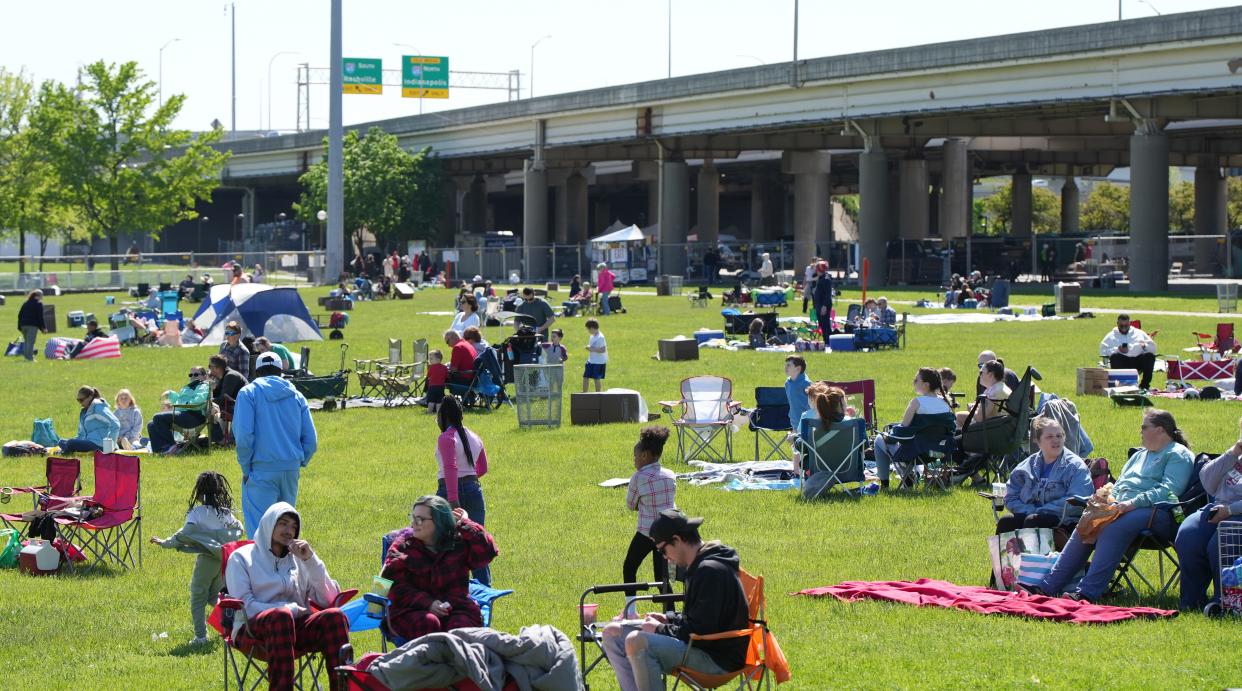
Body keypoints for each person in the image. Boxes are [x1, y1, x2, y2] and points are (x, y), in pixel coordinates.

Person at [1025, 409, 1193, 603]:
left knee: (1113, 527)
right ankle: (1048, 586)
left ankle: (1086, 593)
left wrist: (1132, 503)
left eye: (1144, 427)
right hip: (1124, 508)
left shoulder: (1177, 454)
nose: (1141, 432)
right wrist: (1106, 500)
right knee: (1088, 521)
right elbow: (1120, 484)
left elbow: (1169, 491)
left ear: (1160, 430)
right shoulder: (1140, 455)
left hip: (1161, 513)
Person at [601, 510, 749, 691]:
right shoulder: (700, 566)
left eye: (663, 550)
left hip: (716, 659)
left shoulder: (710, 571)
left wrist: (659, 629)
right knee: (612, 633)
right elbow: (699, 618)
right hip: (700, 646)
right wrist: (669, 618)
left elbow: (702, 630)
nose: (664, 556)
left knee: (636, 641)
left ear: (677, 540)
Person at [226, 502, 350, 691]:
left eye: (293, 526)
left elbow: (329, 598)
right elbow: (247, 607)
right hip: (252, 631)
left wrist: (310, 560)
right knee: (281, 617)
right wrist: (288, 609)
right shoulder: (241, 558)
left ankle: (343, 688)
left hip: (294, 630)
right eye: (283, 523)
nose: (289, 530)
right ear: (269, 524)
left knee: (335, 616)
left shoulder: (299, 559)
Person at [381, 495, 499, 641]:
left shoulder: (457, 542)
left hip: (457, 606)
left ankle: (460, 661)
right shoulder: (403, 546)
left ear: (439, 521)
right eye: (413, 517)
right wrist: (427, 603)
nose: (414, 523)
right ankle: (429, 663)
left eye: (420, 519)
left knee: (460, 629)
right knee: (428, 623)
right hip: (412, 609)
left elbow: (487, 552)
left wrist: (465, 523)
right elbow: (392, 586)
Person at [150, 471, 244, 645]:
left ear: (199, 493)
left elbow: (186, 533)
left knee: (198, 597)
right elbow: (239, 528)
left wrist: (165, 543)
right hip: (222, 560)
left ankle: (200, 637)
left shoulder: (197, 513)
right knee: (213, 596)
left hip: (207, 560)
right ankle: (231, 624)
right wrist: (219, 538)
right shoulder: (225, 513)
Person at [233, 352, 317, 538]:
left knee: (260, 533)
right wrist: (299, 461)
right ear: (281, 371)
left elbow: (244, 436)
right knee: (287, 532)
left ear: (256, 371)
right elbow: (311, 439)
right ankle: (287, 567)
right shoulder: (297, 395)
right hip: (291, 469)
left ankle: (260, 568)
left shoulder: (248, 393)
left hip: (261, 470)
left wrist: (246, 469)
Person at [1175, 417, 1242, 615]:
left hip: (1236, 514)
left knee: (1220, 541)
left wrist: (1230, 511)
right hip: (1218, 507)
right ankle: (1192, 601)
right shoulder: (1237, 456)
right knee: (1188, 535)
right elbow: (1207, 481)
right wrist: (1233, 451)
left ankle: (1225, 602)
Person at [995, 418, 1094, 536]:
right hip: (1031, 514)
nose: (1056, 440)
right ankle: (1006, 555)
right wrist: (1027, 510)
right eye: (1049, 437)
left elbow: (1080, 499)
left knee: (1033, 521)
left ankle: (1032, 555)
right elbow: (1011, 495)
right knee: (1006, 522)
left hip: (1064, 520)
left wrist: (1041, 511)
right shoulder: (1026, 467)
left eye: (1059, 436)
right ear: (1037, 440)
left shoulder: (1075, 466)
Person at [434, 395, 492, 584]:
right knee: (477, 544)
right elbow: (482, 468)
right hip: (474, 491)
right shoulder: (475, 436)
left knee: (443, 543)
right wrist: (469, 482)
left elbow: (451, 468)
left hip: (449, 494)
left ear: (443, 415)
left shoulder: (446, 438)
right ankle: (485, 590)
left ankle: (448, 586)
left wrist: (453, 500)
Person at [872, 368, 954, 490]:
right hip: (938, 453)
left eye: (916, 380)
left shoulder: (917, 402)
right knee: (912, 443)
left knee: (879, 439)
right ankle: (908, 476)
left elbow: (902, 432)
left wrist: (888, 434)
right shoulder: (946, 403)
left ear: (926, 385)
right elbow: (951, 429)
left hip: (917, 453)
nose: (914, 382)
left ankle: (885, 485)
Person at [623, 426, 675, 598]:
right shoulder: (670, 475)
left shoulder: (638, 477)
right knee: (662, 577)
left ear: (644, 455)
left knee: (630, 567)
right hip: (667, 533)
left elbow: (631, 505)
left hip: (646, 532)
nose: (634, 460)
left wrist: (641, 503)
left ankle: (630, 609)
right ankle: (670, 612)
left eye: (635, 456)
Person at [147, 368, 211, 454]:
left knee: (158, 417)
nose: (192, 376)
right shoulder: (189, 387)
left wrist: (184, 405)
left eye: (196, 374)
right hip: (184, 414)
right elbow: (179, 400)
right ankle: (161, 450)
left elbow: (199, 401)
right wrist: (170, 393)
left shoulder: (203, 386)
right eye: (190, 375)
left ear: (204, 376)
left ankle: (172, 446)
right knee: (151, 424)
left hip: (194, 417)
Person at [1099, 314, 1157, 390]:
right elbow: (1103, 351)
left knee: (1149, 356)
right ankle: (1119, 386)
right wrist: (1118, 350)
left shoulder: (1139, 333)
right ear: (1117, 324)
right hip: (1122, 363)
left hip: (1138, 361)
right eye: (1121, 326)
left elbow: (1153, 349)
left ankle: (1144, 386)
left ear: (1130, 323)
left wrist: (1144, 346)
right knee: (1115, 356)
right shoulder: (1111, 335)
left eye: (1126, 325)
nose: (1123, 328)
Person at [58, 386, 121, 453]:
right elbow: (81, 434)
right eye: (78, 400)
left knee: (70, 443)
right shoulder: (84, 412)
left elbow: (115, 424)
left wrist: (109, 448)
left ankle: (64, 452)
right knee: (61, 442)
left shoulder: (98, 408)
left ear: (90, 397)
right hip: (89, 442)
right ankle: (66, 450)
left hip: (101, 444)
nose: (80, 403)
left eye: (81, 400)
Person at [208, 353, 248, 443]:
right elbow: (216, 395)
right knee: (210, 407)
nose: (209, 369)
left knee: (209, 408)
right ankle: (219, 438)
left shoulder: (230, 376)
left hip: (244, 408)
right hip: (236, 405)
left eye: (210, 366)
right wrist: (211, 387)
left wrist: (207, 402)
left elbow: (222, 399)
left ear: (216, 368)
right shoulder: (224, 377)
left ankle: (221, 439)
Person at [783, 355, 812, 432]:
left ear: (798, 368)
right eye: (785, 365)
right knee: (796, 442)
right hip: (794, 420)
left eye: (789, 365)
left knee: (805, 442)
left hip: (807, 421)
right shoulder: (787, 383)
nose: (785, 367)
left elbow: (813, 404)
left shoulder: (806, 384)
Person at [17, 289, 45, 361]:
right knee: (30, 342)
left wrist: (19, 326)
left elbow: (19, 315)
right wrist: (43, 328)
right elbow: (40, 317)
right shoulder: (39, 303)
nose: (42, 297)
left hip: (23, 325)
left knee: (27, 341)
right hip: (32, 326)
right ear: (38, 296)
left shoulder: (26, 303)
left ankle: (26, 357)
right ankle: (29, 358)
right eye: (42, 295)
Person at [811, 260, 833, 342]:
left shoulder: (826, 279)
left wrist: (824, 306)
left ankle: (828, 341)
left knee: (825, 325)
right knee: (822, 324)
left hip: (824, 305)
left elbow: (828, 294)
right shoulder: (820, 278)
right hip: (819, 305)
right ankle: (826, 341)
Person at [584, 318, 607, 393]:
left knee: (596, 378)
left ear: (592, 328)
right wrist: (589, 347)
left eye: (588, 329)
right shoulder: (592, 336)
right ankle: (584, 393)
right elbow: (592, 346)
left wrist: (592, 349)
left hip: (598, 362)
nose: (588, 331)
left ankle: (598, 393)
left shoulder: (600, 337)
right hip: (591, 360)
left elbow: (603, 350)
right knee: (585, 377)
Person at [424, 350, 448, 414]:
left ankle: (429, 412)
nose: (429, 360)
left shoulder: (431, 367)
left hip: (432, 387)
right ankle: (438, 413)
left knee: (431, 401)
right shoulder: (444, 367)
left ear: (438, 359)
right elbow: (446, 376)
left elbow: (428, 376)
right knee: (439, 401)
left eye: (431, 359)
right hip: (441, 387)